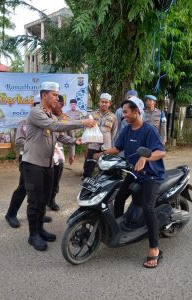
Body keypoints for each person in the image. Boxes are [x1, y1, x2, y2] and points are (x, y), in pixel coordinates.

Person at [22, 82, 96, 251]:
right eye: (54, 95)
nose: (57, 98)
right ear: (44, 96)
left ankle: (40, 229)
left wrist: (76, 141)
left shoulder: (51, 115)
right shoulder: (36, 112)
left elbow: (59, 136)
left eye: (57, 95)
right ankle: (33, 235)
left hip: (48, 164)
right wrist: (82, 122)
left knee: (44, 199)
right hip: (33, 164)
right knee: (34, 201)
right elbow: (54, 127)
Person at [94, 97, 166, 268]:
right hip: (134, 174)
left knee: (148, 208)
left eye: (126, 112)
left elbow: (161, 152)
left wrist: (145, 157)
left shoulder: (149, 130)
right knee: (118, 198)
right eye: (123, 112)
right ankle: (119, 231)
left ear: (136, 111)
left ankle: (154, 249)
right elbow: (118, 148)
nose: (123, 115)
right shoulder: (126, 130)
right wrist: (102, 153)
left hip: (151, 176)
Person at [4, 100, 52, 228]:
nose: (40, 107)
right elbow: (19, 140)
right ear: (32, 106)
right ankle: (11, 214)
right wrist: (33, 147)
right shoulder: (25, 122)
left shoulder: (48, 121)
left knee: (40, 189)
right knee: (24, 188)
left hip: (41, 160)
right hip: (28, 159)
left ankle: (39, 215)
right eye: (36, 104)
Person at [48, 95, 77, 211]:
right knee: (46, 178)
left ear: (62, 105)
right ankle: (44, 200)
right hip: (46, 152)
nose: (54, 105)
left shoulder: (67, 119)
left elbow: (71, 136)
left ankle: (52, 200)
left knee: (56, 178)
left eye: (57, 103)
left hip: (59, 153)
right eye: (53, 102)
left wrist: (71, 154)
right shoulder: (47, 116)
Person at [83, 92, 118, 179]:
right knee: (89, 166)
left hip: (106, 147)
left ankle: (102, 186)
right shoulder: (91, 115)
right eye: (102, 102)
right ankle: (86, 183)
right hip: (93, 145)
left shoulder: (113, 117)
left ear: (110, 103)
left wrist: (111, 147)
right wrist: (87, 145)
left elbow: (114, 133)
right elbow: (86, 130)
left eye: (106, 102)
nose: (104, 104)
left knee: (105, 168)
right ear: (99, 102)